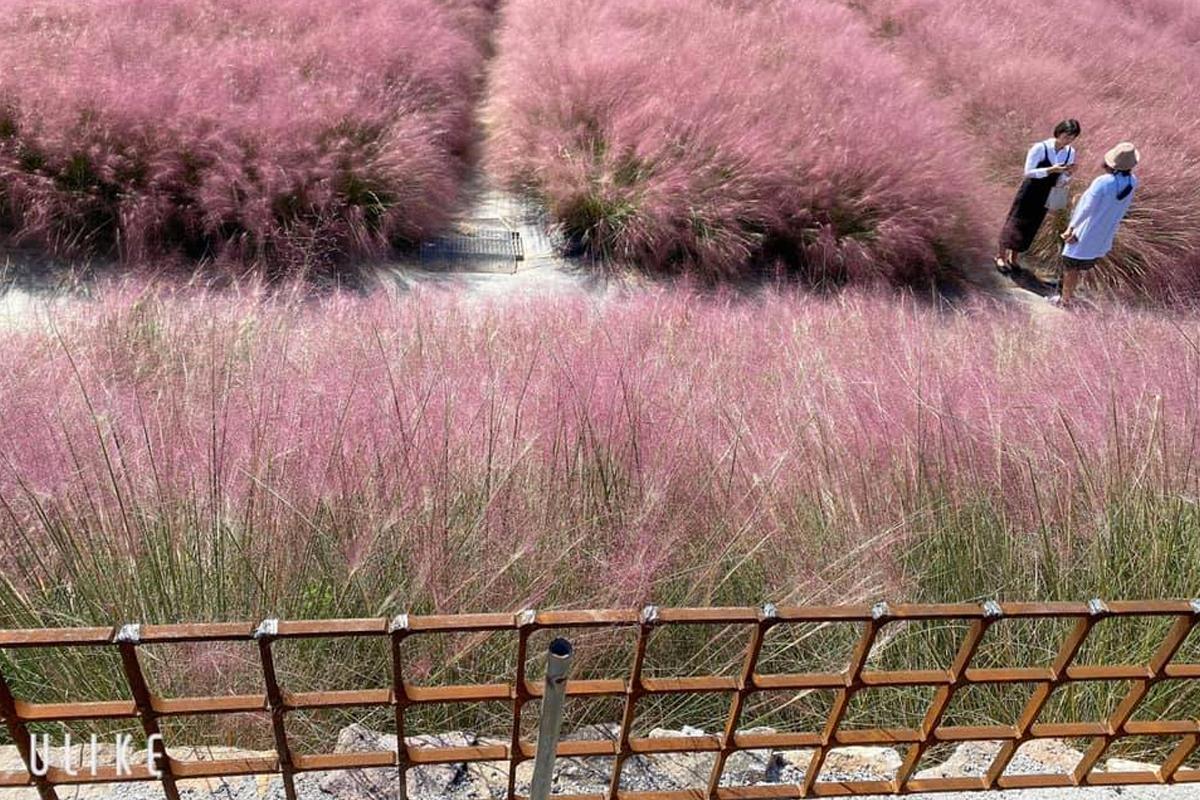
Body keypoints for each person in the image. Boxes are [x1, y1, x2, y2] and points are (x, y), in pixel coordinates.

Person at [1051, 142, 1140, 308]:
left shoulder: (1104, 181)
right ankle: (1069, 295)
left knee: (1071, 265)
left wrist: (1071, 227)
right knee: (1081, 265)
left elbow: (1087, 208)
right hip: (1104, 233)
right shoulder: (1132, 182)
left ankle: (1065, 300)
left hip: (1085, 229)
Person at [995, 119, 1081, 274]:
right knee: (1015, 220)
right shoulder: (1040, 148)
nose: (1068, 140)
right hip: (1030, 189)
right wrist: (1050, 170)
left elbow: (1062, 179)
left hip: (1048, 191)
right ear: (1058, 132)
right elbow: (1028, 172)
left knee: (1032, 224)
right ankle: (1000, 255)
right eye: (1066, 135)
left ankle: (1014, 257)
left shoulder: (1070, 153)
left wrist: (1067, 174)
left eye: (1072, 137)